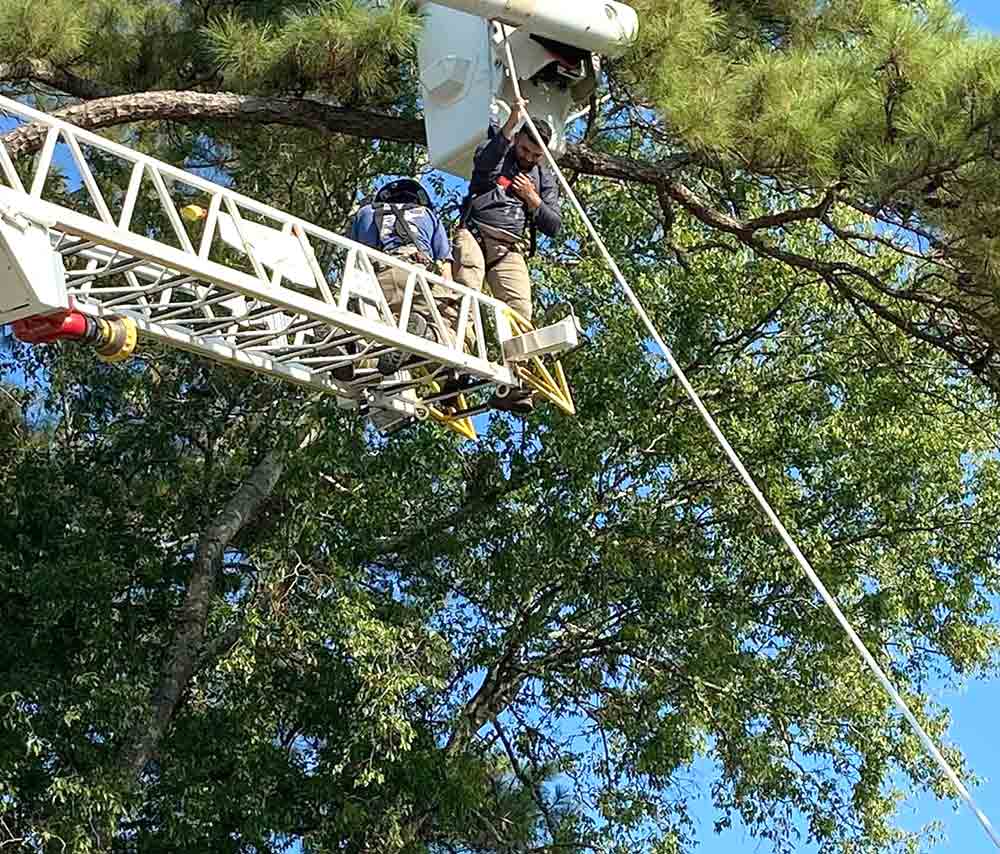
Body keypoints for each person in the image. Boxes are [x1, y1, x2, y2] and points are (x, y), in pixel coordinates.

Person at [453, 98, 562, 412]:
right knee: (468, 287)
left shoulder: (544, 179)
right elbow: (484, 166)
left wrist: (533, 200)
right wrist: (512, 120)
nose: (527, 158)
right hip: (476, 232)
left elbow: (554, 225)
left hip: (509, 248)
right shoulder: (498, 153)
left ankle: (514, 380)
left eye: (534, 154)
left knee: (519, 309)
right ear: (517, 141)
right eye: (524, 150)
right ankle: (460, 356)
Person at [350, 178, 457, 375]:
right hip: (420, 277)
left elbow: (355, 258)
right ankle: (425, 334)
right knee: (447, 337)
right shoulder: (429, 215)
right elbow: (445, 269)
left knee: (374, 329)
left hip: (380, 276)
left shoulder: (365, 213)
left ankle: (350, 351)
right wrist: (448, 302)